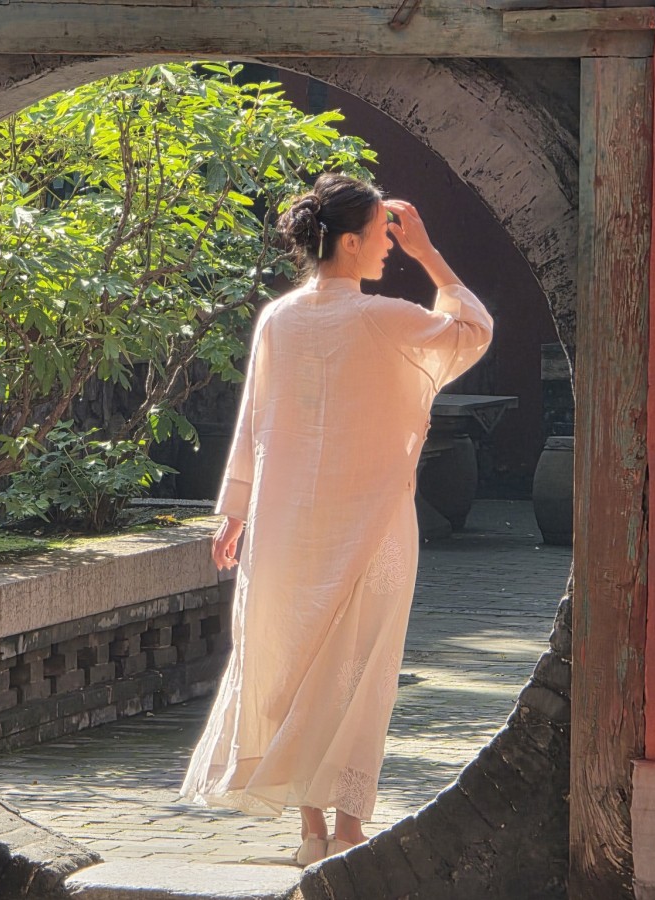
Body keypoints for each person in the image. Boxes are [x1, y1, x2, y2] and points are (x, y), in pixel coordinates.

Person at [179, 173, 493, 867]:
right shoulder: (386, 319)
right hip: (370, 526)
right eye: (383, 234)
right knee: (358, 672)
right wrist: (430, 255)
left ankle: (312, 830)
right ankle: (347, 829)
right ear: (349, 242)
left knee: (294, 666)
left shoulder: (278, 318)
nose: (389, 246)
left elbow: (255, 422)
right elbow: (474, 330)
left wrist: (235, 512)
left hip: (286, 527)